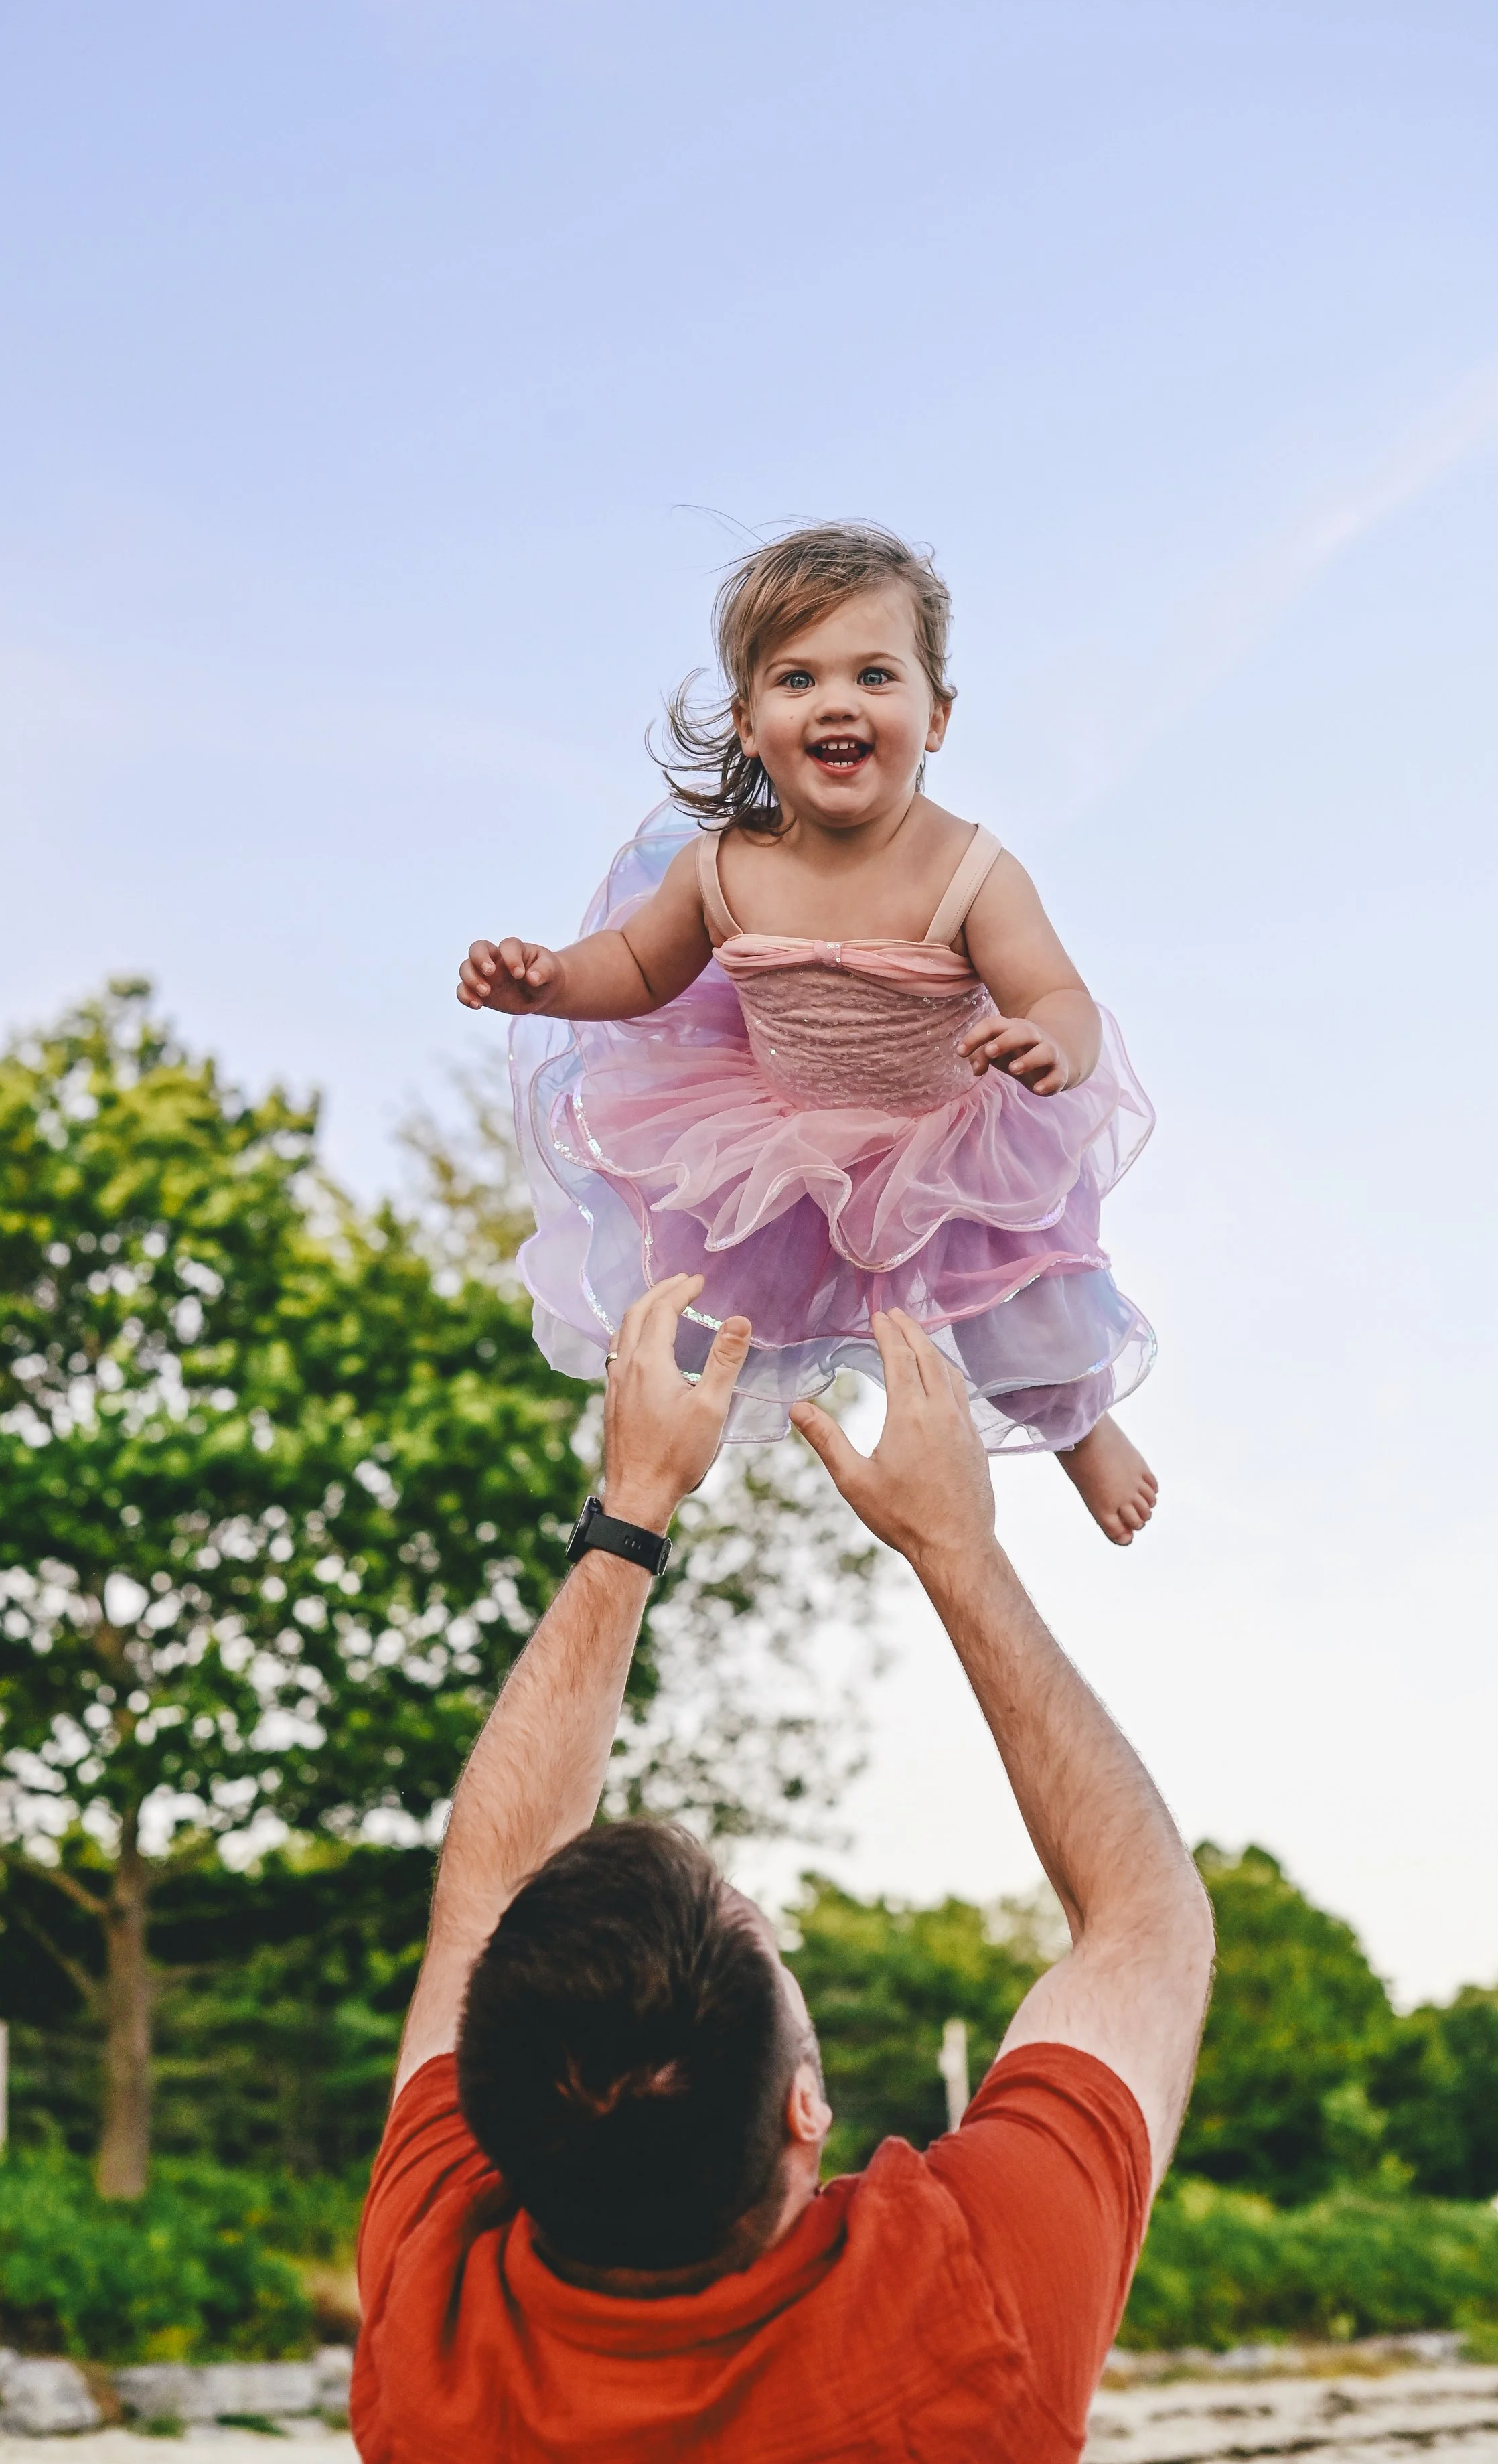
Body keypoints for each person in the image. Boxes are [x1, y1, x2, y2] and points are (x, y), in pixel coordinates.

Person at [350, 1275, 1214, 2464]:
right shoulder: (967, 2320)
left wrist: (632, 1505)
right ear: (806, 2108)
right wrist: (957, 1549)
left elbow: (485, 1902)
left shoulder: (432, 2340)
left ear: (492, 2139)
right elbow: (1147, 1925)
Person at [459, 522, 1158, 1546]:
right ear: (748, 723)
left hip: (942, 1134)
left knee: (1020, 1305)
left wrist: (1049, 1042)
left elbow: (1060, 994)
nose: (837, 701)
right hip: (775, 1136)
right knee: (708, 1285)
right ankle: (663, 1434)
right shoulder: (718, 868)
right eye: (797, 680)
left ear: (937, 718)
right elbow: (641, 970)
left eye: (876, 674)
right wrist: (554, 982)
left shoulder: (970, 870)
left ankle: (1080, 1424)